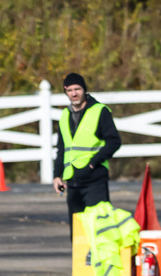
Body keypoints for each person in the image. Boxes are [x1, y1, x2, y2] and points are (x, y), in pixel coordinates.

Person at [52, 73, 121, 238]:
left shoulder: (100, 111)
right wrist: (57, 175)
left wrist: (92, 163)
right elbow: (62, 148)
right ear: (65, 92)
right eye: (70, 90)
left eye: (77, 89)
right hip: (73, 181)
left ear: (84, 90)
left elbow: (114, 142)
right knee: (78, 233)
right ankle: (79, 257)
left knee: (100, 228)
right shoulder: (64, 115)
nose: (74, 93)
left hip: (94, 179)